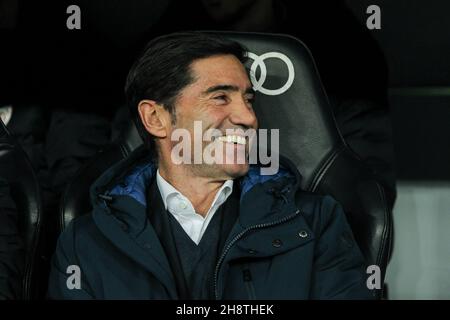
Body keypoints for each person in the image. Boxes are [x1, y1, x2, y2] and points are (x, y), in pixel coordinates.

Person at [48, 32, 374, 299]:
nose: (248, 118)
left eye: (249, 100)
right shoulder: (86, 243)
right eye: (220, 97)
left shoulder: (317, 223)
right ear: (156, 118)